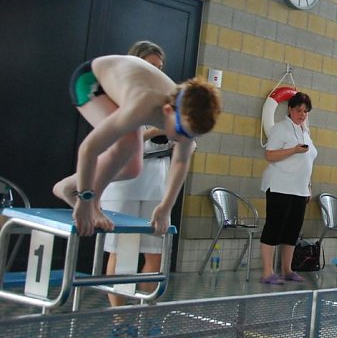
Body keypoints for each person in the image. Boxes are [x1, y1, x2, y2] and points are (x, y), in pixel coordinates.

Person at [53, 55, 221, 237]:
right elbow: (89, 149)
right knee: (126, 142)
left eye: (191, 135)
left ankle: (68, 186)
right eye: (182, 131)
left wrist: (165, 207)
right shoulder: (144, 104)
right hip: (91, 80)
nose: (184, 138)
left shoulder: (186, 117)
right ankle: (93, 203)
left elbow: (180, 161)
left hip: (123, 82)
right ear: (167, 111)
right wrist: (86, 201)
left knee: (132, 168)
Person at [100, 42, 176, 307]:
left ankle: (145, 315)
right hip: (125, 184)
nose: (156, 72)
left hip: (156, 181)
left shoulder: (167, 100)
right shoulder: (116, 94)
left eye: (160, 68)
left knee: (154, 254)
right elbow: (112, 139)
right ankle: (118, 316)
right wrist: (152, 133)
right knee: (121, 252)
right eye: (150, 66)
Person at [260, 92, 317, 284]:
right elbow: (269, 155)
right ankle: (268, 272)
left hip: (299, 189)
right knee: (274, 227)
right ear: (290, 110)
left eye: (305, 111)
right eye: (299, 110)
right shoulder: (280, 129)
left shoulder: (305, 132)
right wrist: (293, 149)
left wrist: (309, 186)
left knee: (293, 230)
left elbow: (308, 161)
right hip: (280, 186)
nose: (302, 114)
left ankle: (287, 269)